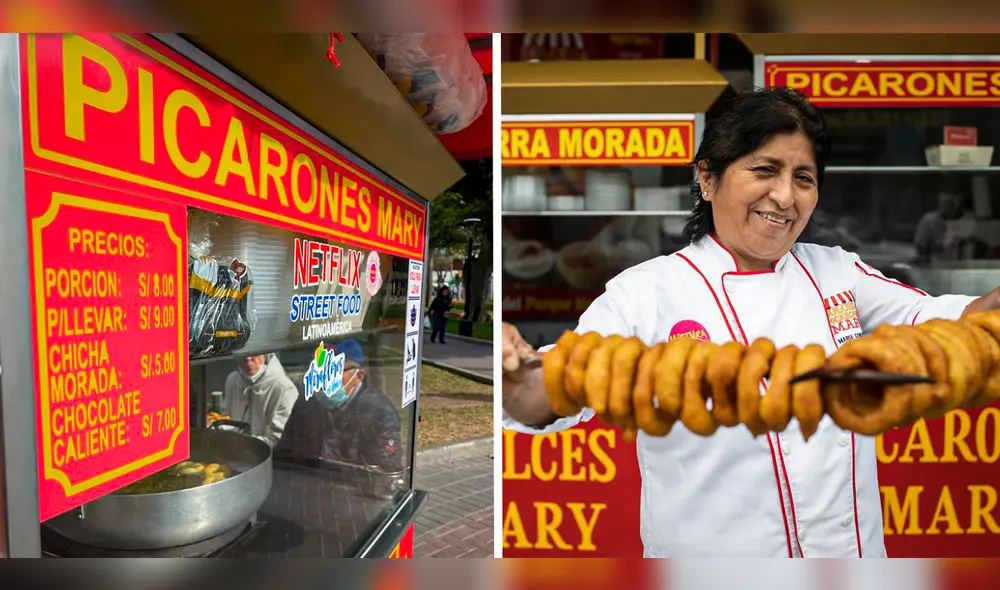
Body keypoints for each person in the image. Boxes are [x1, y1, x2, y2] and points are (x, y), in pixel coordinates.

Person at [501, 87, 1000, 558]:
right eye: (765, 169)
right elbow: (548, 392)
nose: (785, 196)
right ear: (707, 177)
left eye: (804, 178)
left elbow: (957, 322)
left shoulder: (837, 270)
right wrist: (512, 370)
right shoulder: (645, 292)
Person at [275, 339, 404, 473]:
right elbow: (284, 454)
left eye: (333, 371)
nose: (323, 379)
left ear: (358, 376)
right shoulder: (306, 402)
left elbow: (386, 470)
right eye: (318, 371)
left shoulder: (379, 413)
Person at [224, 353, 300, 447]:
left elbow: (278, 440)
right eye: (243, 353)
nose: (248, 359)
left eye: (254, 353)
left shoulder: (283, 389)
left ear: (265, 354)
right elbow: (227, 419)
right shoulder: (232, 380)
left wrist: (241, 444)